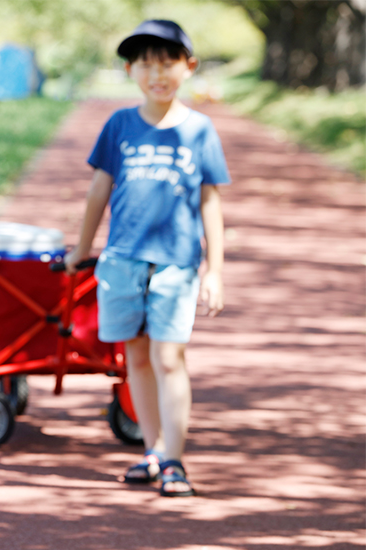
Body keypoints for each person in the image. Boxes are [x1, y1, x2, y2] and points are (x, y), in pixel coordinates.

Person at [64, 20, 229, 497]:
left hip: (176, 263)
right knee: (135, 358)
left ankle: (175, 460)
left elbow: (210, 202)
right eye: (146, 63)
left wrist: (213, 270)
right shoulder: (119, 125)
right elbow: (99, 193)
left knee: (168, 357)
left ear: (188, 67)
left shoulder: (200, 129)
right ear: (130, 70)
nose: (157, 73)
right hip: (121, 262)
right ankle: (153, 451)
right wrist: (82, 248)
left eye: (168, 62)